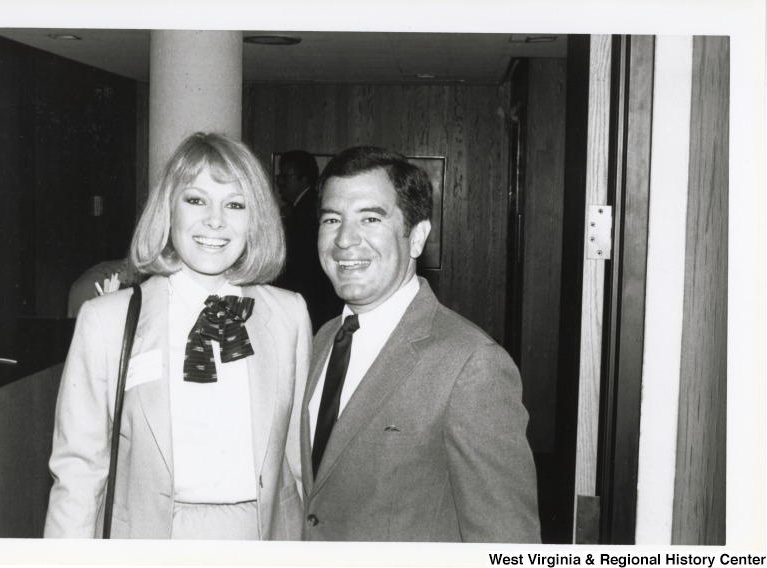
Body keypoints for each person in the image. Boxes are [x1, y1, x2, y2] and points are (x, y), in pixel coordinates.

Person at [45, 132, 310, 539]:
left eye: (235, 204)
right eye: (196, 199)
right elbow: (79, 470)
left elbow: (296, 460)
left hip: (261, 536)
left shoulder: (289, 314)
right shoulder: (107, 320)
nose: (215, 220)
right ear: (169, 209)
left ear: (254, 220)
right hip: (152, 537)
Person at [300, 146, 540, 542]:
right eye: (331, 219)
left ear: (417, 237)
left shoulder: (471, 364)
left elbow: (507, 544)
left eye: (371, 218)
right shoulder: (320, 339)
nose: (344, 240)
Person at [274, 150, 341, 332]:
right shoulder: (300, 208)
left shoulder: (309, 211)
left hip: (312, 309)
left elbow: (300, 271)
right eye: (279, 176)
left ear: (304, 178)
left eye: (286, 176)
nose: (280, 181)